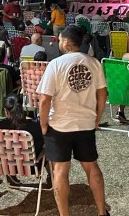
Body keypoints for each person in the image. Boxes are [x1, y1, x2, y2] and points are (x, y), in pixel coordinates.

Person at [36, 26, 110, 216]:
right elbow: (102, 93)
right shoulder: (94, 63)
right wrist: (97, 117)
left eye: (60, 39)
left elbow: (45, 99)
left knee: (60, 171)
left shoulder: (56, 64)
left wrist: (43, 124)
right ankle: (102, 212)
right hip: (85, 123)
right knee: (91, 167)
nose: (59, 42)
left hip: (59, 125)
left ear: (67, 42)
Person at [0, 93, 50, 185]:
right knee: (50, 148)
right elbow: (42, 144)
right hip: (32, 166)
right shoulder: (35, 125)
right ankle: (52, 177)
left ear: (5, 111)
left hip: (6, 166)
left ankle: (10, 176)